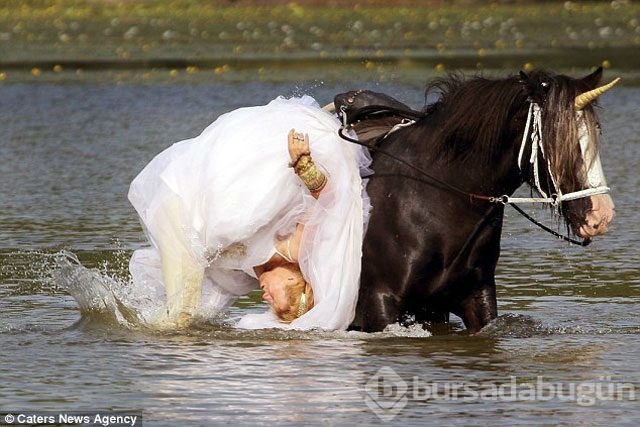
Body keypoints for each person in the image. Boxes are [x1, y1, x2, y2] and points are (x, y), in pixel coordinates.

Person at [127, 96, 371, 330]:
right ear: (293, 281)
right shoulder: (296, 249)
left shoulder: (254, 274)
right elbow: (327, 202)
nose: (265, 297)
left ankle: (145, 342)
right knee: (181, 316)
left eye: (269, 304)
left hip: (181, 219)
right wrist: (303, 164)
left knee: (181, 316)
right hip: (187, 202)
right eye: (276, 299)